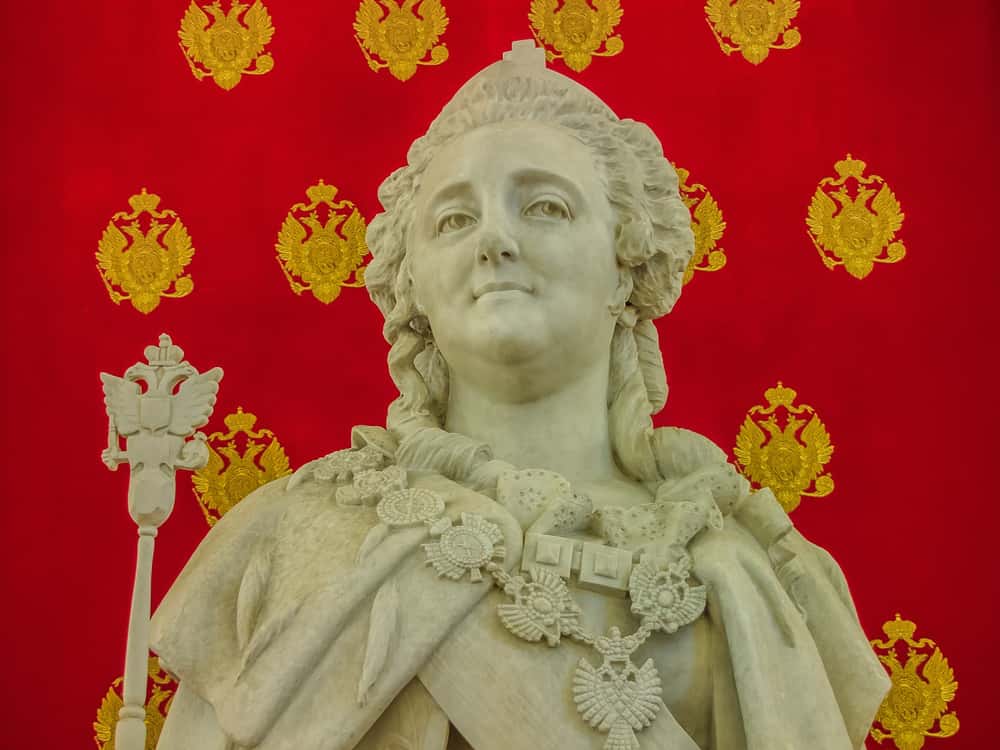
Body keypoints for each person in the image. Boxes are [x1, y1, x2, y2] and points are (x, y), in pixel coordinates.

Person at [151, 41, 888, 750]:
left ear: (628, 264)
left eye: (545, 207)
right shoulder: (295, 536)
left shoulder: (748, 562)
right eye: (455, 219)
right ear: (413, 287)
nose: (494, 241)